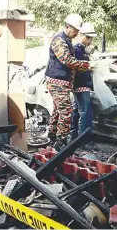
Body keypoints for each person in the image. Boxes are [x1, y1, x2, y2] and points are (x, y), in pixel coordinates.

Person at [45, 14, 96, 149]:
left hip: (62, 83)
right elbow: (67, 60)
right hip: (57, 82)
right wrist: (87, 65)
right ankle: (60, 142)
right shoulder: (59, 40)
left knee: (58, 110)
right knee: (66, 111)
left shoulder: (67, 41)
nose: (77, 33)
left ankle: (52, 137)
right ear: (68, 27)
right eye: (76, 30)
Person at [71, 22, 97, 141]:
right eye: (87, 37)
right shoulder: (77, 50)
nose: (89, 40)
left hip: (81, 84)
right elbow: (76, 68)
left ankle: (74, 137)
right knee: (84, 113)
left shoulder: (84, 51)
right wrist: (88, 67)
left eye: (91, 38)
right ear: (81, 35)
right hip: (80, 84)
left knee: (77, 112)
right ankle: (82, 139)